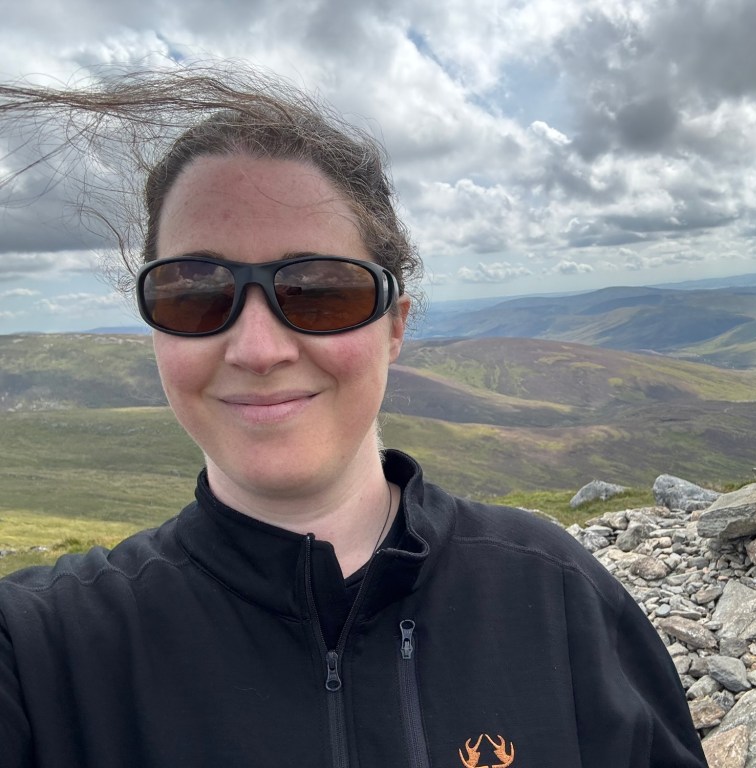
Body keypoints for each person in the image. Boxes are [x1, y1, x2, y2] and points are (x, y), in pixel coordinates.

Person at [0, 66, 708, 768]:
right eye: (194, 292)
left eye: (319, 291)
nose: (258, 349)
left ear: (394, 326)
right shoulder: (40, 651)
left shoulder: (554, 593)